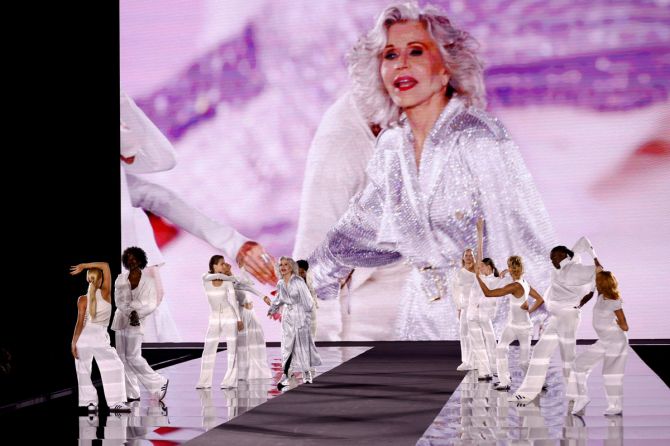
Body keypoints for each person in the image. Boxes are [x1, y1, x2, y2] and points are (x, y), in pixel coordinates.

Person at [307, 1, 556, 340]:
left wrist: (537, 321)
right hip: (418, 321)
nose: (401, 65)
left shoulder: (479, 137)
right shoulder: (393, 148)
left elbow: (522, 236)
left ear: (446, 68)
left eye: (416, 51)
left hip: (486, 321)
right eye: (390, 55)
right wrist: (307, 277)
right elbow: (360, 229)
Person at [120, 88, 277, 341]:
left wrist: (235, 244)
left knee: (157, 363)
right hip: (110, 300)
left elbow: (163, 164)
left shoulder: (127, 187)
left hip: (139, 295)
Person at [293, 92, 412, 341]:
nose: (402, 64)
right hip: (367, 333)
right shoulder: (343, 145)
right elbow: (312, 270)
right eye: (391, 55)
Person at [509, 236, 602, 403]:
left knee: (568, 357)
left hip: (568, 317)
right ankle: (528, 392)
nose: (552, 259)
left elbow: (599, 272)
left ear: (566, 256)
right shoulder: (557, 271)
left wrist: (594, 258)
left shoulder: (576, 269)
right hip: (557, 318)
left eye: (556, 256)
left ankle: (579, 394)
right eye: (551, 257)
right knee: (540, 351)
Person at [475, 255, 545, 391]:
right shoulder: (525, 282)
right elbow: (540, 299)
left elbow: (488, 293)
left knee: (524, 363)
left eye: (509, 266)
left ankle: (540, 381)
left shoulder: (515, 286)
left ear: (513, 269)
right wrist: (529, 311)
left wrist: (478, 277)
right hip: (512, 326)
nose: (507, 269)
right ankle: (504, 381)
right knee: (501, 349)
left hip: (524, 329)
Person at [69, 262, 130, 413]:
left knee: (83, 371)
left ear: (88, 279)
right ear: (101, 279)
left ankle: (90, 402)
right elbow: (105, 265)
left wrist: (73, 342)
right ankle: (115, 402)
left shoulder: (82, 299)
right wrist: (83, 265)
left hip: (83, 337)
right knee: (115, 366)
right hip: (99, 336)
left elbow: (79, 324)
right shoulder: (106, 294)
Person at [111, 246, 169, 402]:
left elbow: (151, 304)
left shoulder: (148, 281)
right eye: (128, 258)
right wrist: (131, 312)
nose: (132, 261)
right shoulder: (120, 279)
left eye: (134, 258)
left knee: (133, 356)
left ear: (141, 260)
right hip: (121, 320)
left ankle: (158, 382)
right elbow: (118, 301)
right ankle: (132, 393)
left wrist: (138, 314)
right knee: (122, 358)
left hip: (137, 323)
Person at [200, 257, 273, 381]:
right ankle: (243, 373)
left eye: (227, 264)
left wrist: (243, 269)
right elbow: (243, 288)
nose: (227, 265)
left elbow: (249, 284)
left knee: (257, 338)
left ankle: (258, 370)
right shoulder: (228, 282)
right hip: (241, 313)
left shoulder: (236, 279)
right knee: (243, 343)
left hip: (251, 313)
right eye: (223, 264)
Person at [568, 271, 628, 416]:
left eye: (597, 281)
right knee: (578, 365)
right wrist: (592, 254)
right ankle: (582, 397)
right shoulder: (600, 296)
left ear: (602, 284)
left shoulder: (615, 302)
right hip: (604, 341)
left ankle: (616, 406)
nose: (595, 282)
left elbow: (625, 326)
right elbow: (599, 268)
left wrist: (613, 324)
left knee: (610, 374)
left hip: (616, 341)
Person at [269, 257, 321, 387]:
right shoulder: (280, 283)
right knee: (287, 346)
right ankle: (286, 374)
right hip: (287, 316)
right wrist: (273, 308)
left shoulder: (298, 281)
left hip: (300, 315)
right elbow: (279, 298)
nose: (283, 267)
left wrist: (306, 317)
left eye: (286, 264)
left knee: (302, 345)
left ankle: (306, 372)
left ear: (291, 267)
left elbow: (308, 301)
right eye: (281, 265)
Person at [196, 255, 244, 389]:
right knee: (209, 348)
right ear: (214, 266)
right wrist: (230, 277)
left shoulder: (227, 281)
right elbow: (211, 277)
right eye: (222, 264)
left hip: (229, 314)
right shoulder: (205, 277)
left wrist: (239, 319)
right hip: (214, 316)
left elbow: (233, 300)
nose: (224, 266)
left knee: (232, 348)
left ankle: (230, 381)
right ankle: (204, 381)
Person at [297, 260, 319, 339]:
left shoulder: (310, 280)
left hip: (310, 306)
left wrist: (315, 303)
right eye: (298, 273)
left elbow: (313, 293)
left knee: (312, 329)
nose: (300, 275)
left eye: (302, 273)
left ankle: (311, 346)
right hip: (298, 308)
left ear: (306, 271)